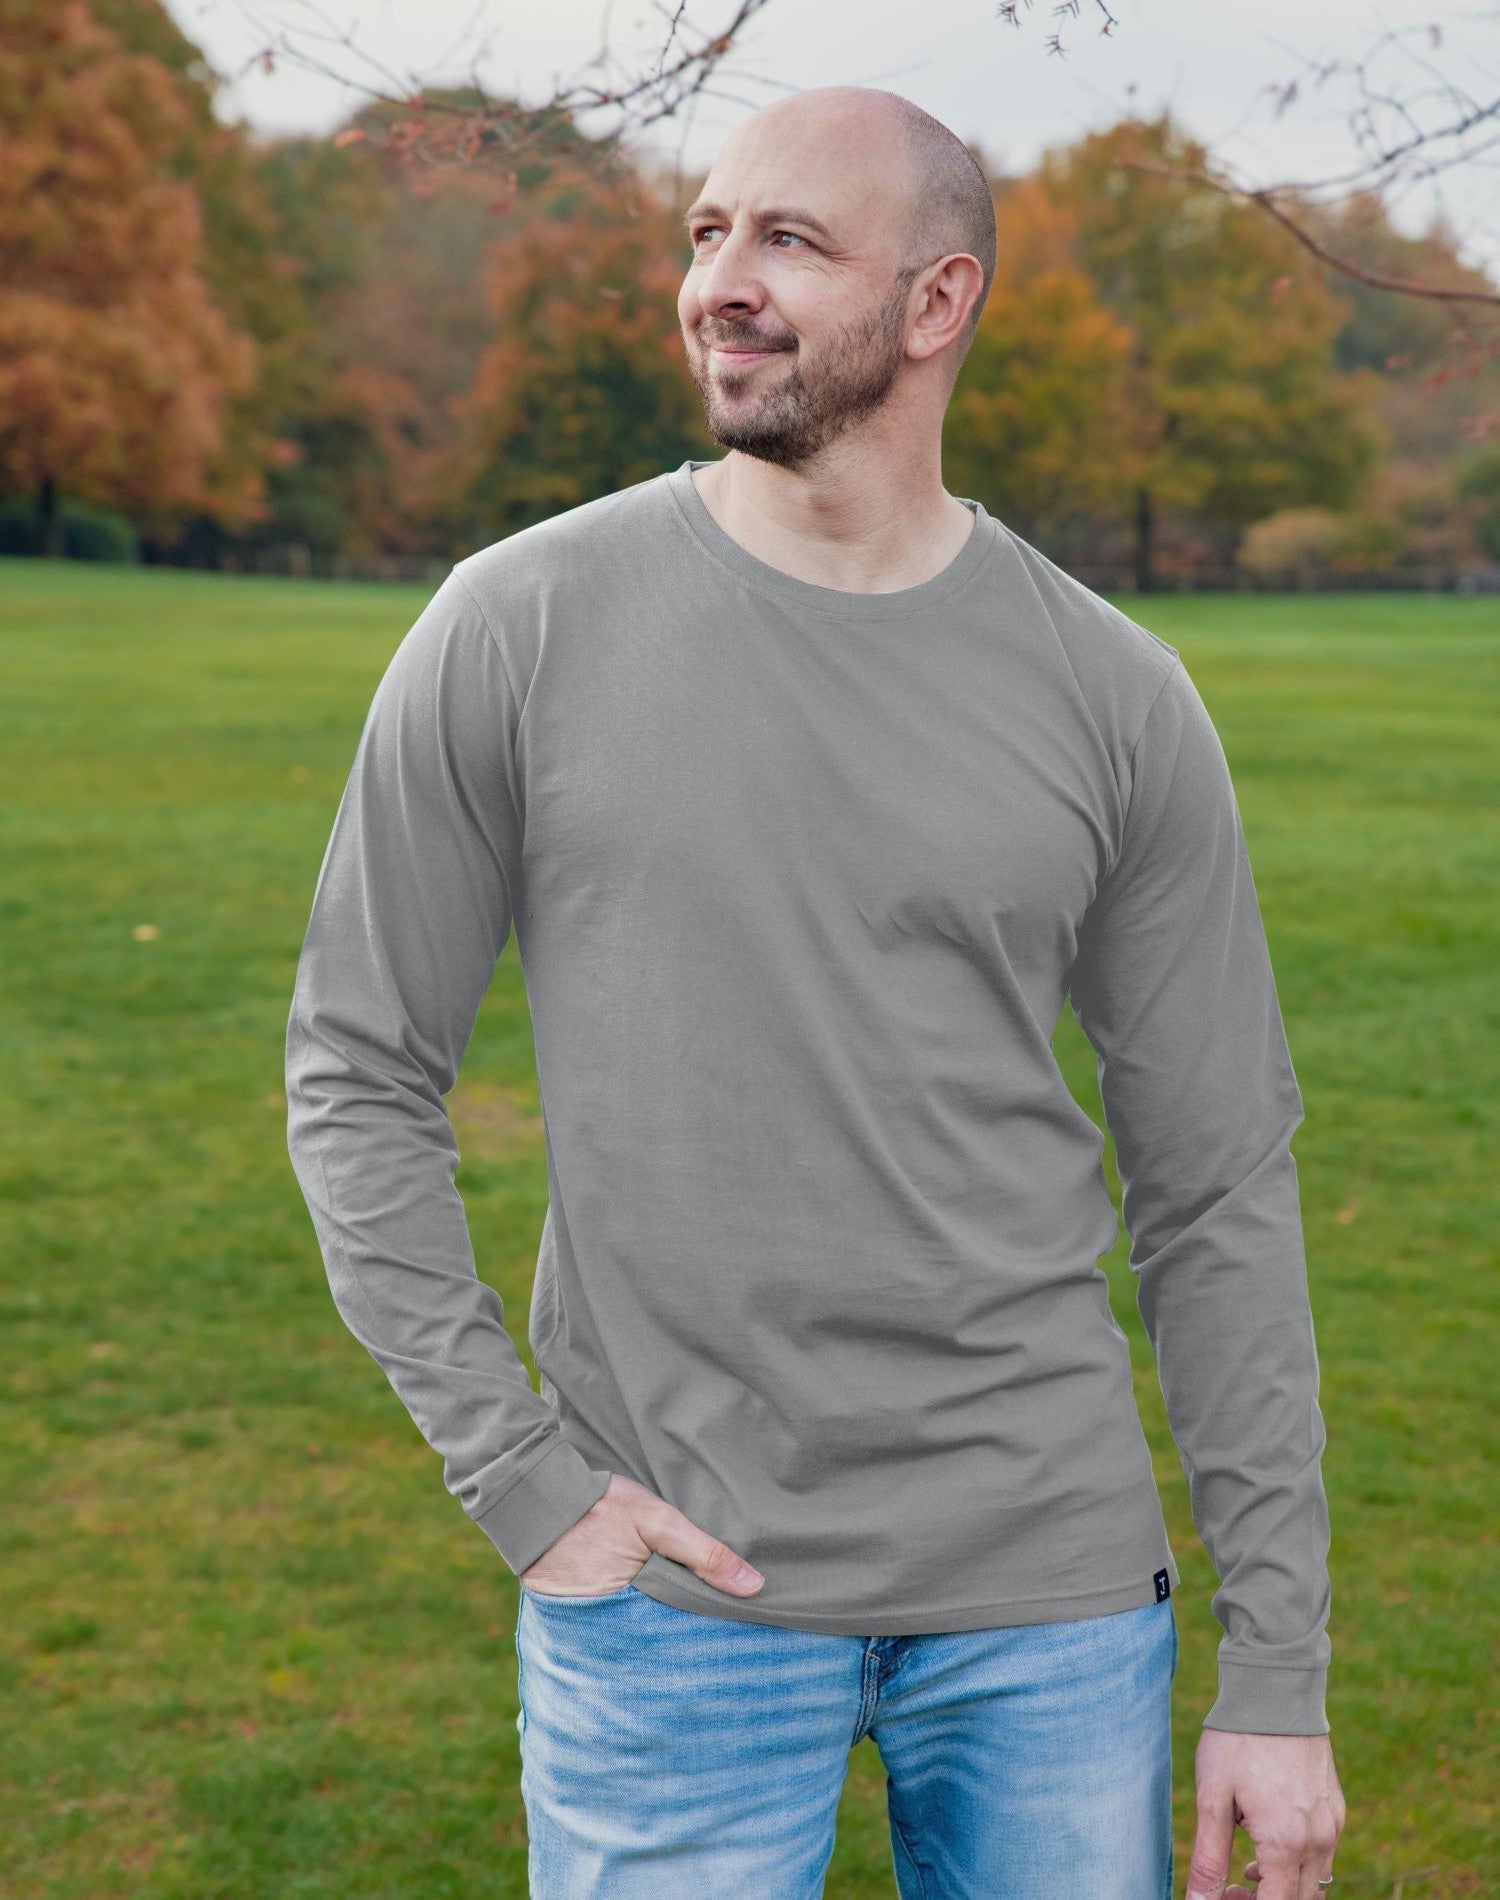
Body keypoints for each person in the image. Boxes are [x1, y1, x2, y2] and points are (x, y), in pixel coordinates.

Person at [284, 82, 1346, 1900]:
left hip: (1053, 1611)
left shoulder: (1116, 695)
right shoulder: (517, 623)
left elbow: (1219, 1191)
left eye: (787, 238)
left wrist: (1282, 1670)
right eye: (705, 233)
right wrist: (520, 1480)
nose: (720, 282)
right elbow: (357, 1068)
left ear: (937, 302)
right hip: (672, 1600)